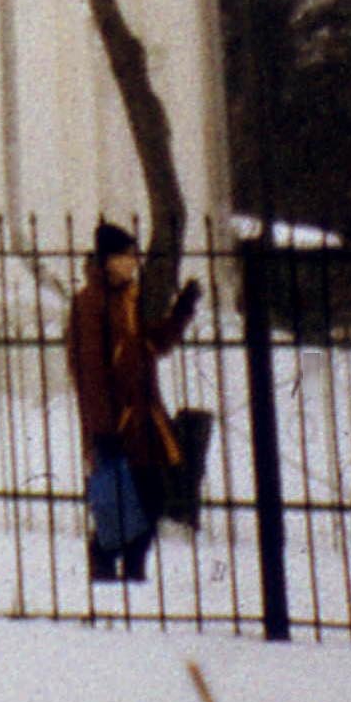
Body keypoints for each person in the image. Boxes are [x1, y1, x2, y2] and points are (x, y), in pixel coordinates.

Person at [67, 220, 202, 586]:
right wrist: (103, 429)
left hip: (143, 419)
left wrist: (180, 313)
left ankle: (133, 568)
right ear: (108, 260)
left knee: (152, 497)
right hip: (117, 424)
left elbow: (149, 344)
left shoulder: (128, 299)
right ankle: (106, 567)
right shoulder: (90, 304)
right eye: (127, 255)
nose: (133, 262)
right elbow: (90, 371)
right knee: (125, 501)